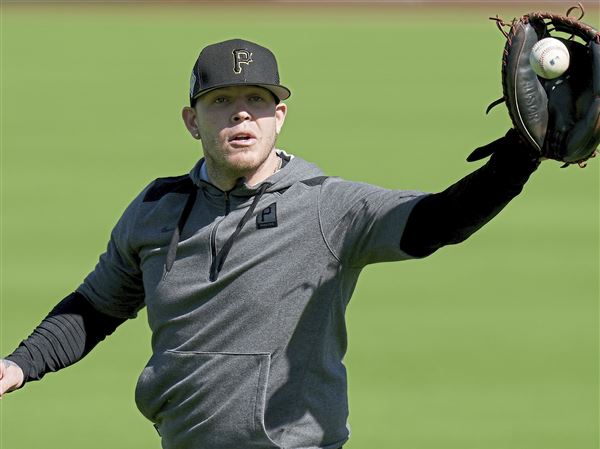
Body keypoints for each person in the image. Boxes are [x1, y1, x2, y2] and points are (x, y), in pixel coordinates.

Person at [0, 38, 540, 449]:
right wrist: (19, 365)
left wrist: (521, 156)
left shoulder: (326, 206)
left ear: (278, 117)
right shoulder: (155, 210)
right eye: (220, 100)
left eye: (256, 99)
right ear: (192, 120)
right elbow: (95, 307)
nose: (240, 113)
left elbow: (437, 221)